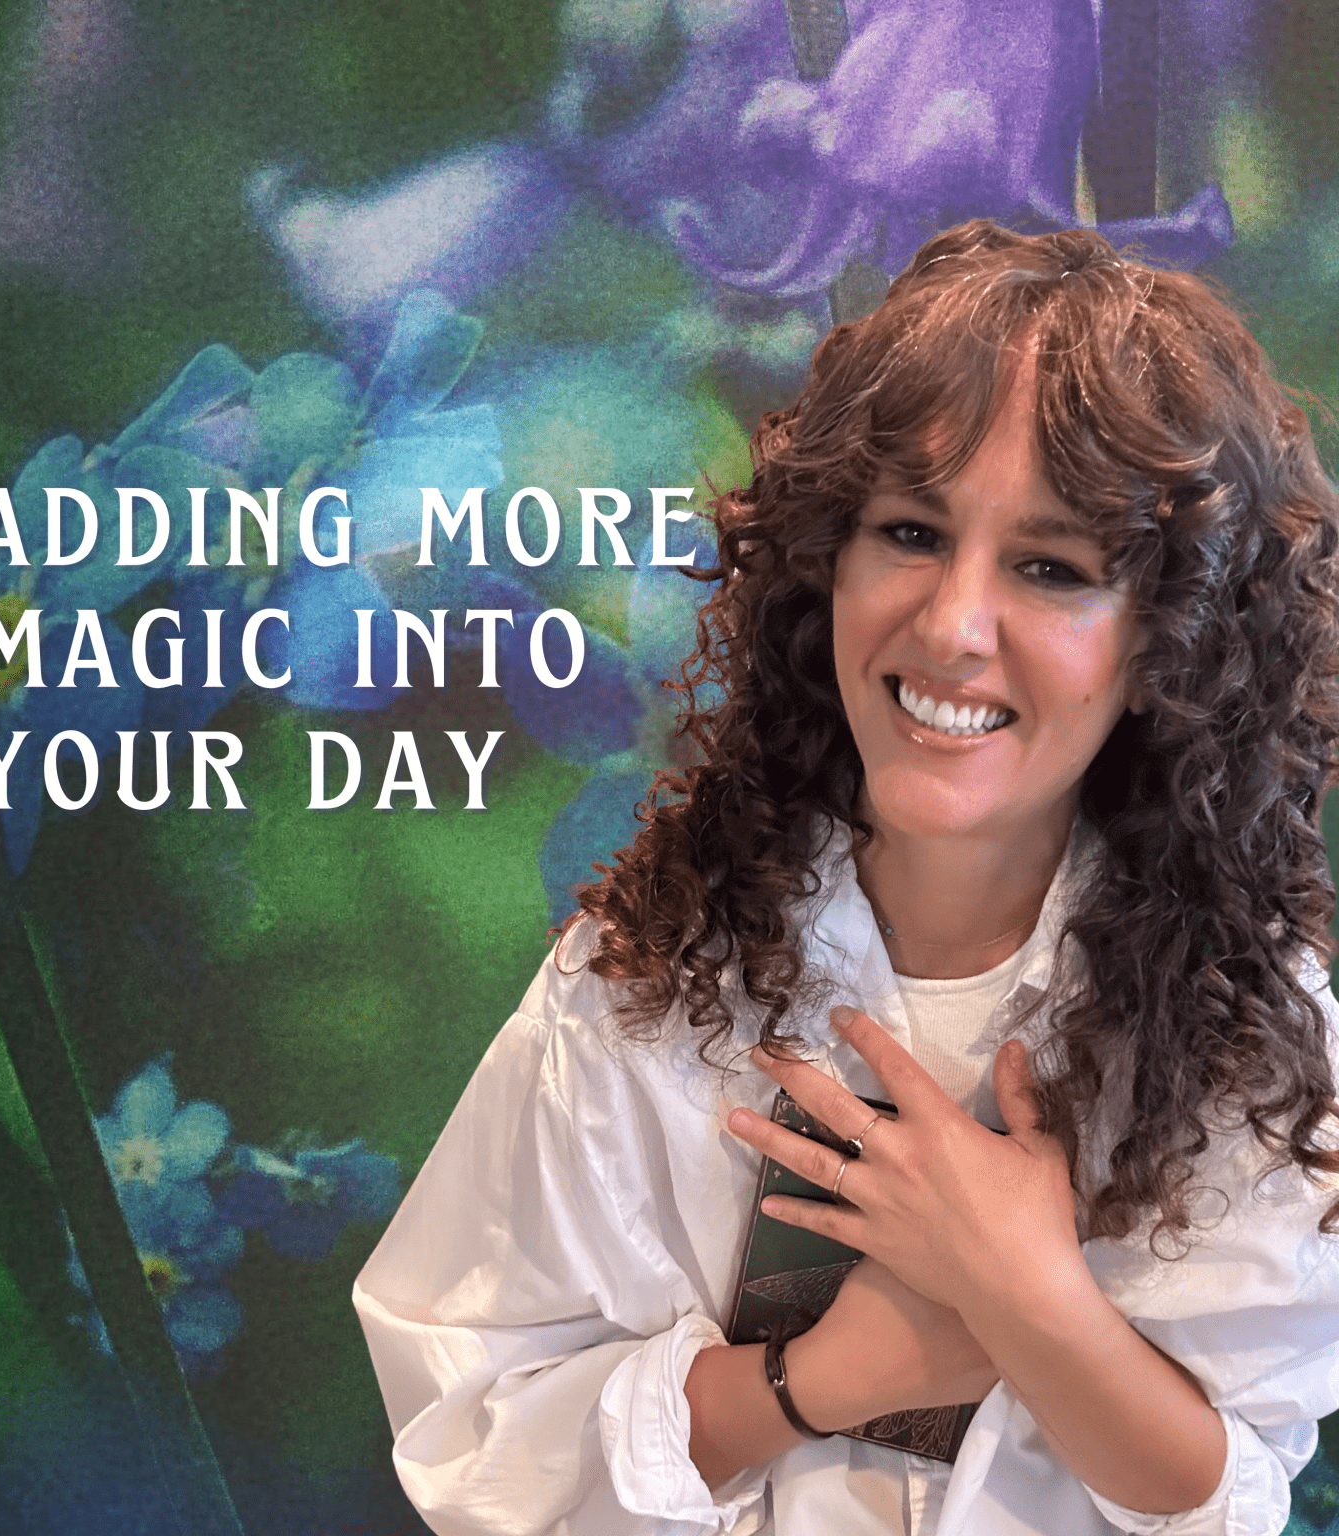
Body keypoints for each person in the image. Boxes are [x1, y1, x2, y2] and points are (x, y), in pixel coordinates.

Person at [353, 221, 1339, 1535]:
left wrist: (1026, 1298)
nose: (949, 626)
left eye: (1052, 566)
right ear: (825, 567)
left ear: (1171, 642)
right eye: (912, 532)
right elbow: (477, 1438)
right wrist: (835, 1376)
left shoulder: (1257, 1036)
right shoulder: (645, 980)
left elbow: (1233, 1488)